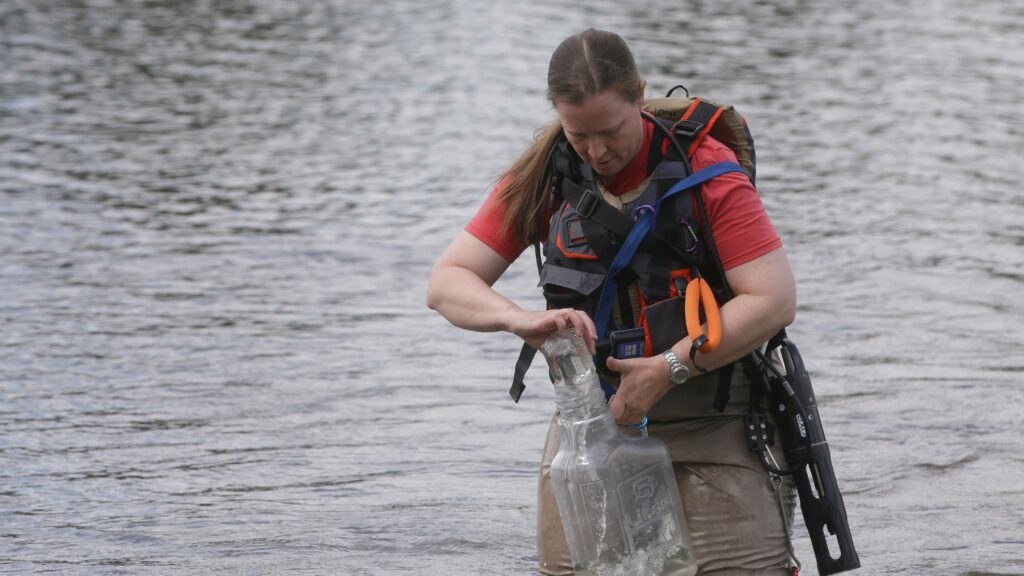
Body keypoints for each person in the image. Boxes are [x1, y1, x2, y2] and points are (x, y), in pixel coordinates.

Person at [427, 28, 799, 575]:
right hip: (591, 426)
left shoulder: (708, 171)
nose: (597, 151)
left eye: (611, 131)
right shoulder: (545, 176)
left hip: (715, 422)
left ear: (639, 96)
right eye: (579, 135)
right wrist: (519, 318)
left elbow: (773, 299)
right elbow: (446, 282)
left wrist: (670, 366)